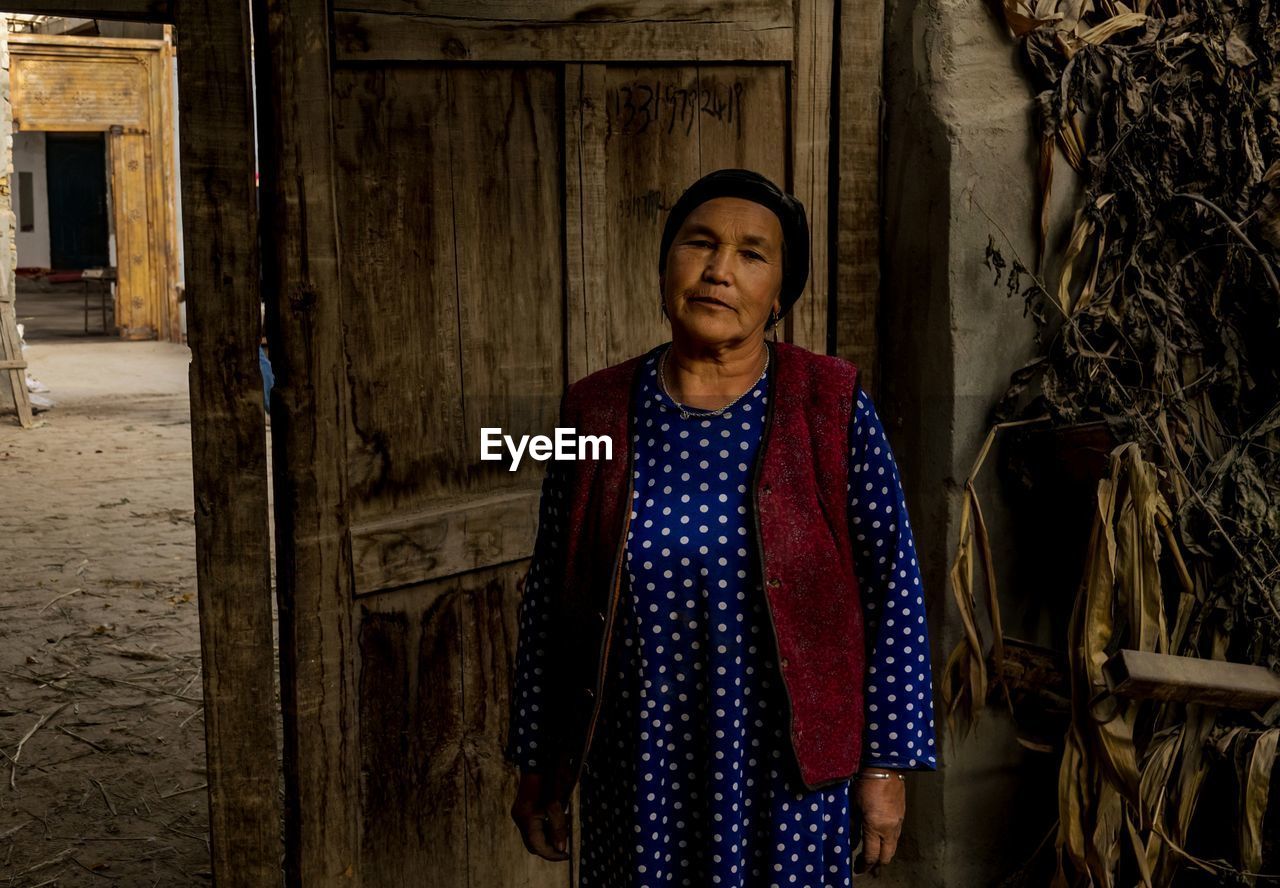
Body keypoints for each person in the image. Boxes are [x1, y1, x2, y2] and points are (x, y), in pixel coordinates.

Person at [505, 168, 936, 886]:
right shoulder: (594, 412)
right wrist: (538, 763)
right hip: (637, 768)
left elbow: (892, 591)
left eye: (752, 253)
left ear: (779, 297)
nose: (718, 270)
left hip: (789, 773)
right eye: (699, 244)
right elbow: (551, 594)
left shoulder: (830, 407)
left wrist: (885, 763)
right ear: (665, 264)